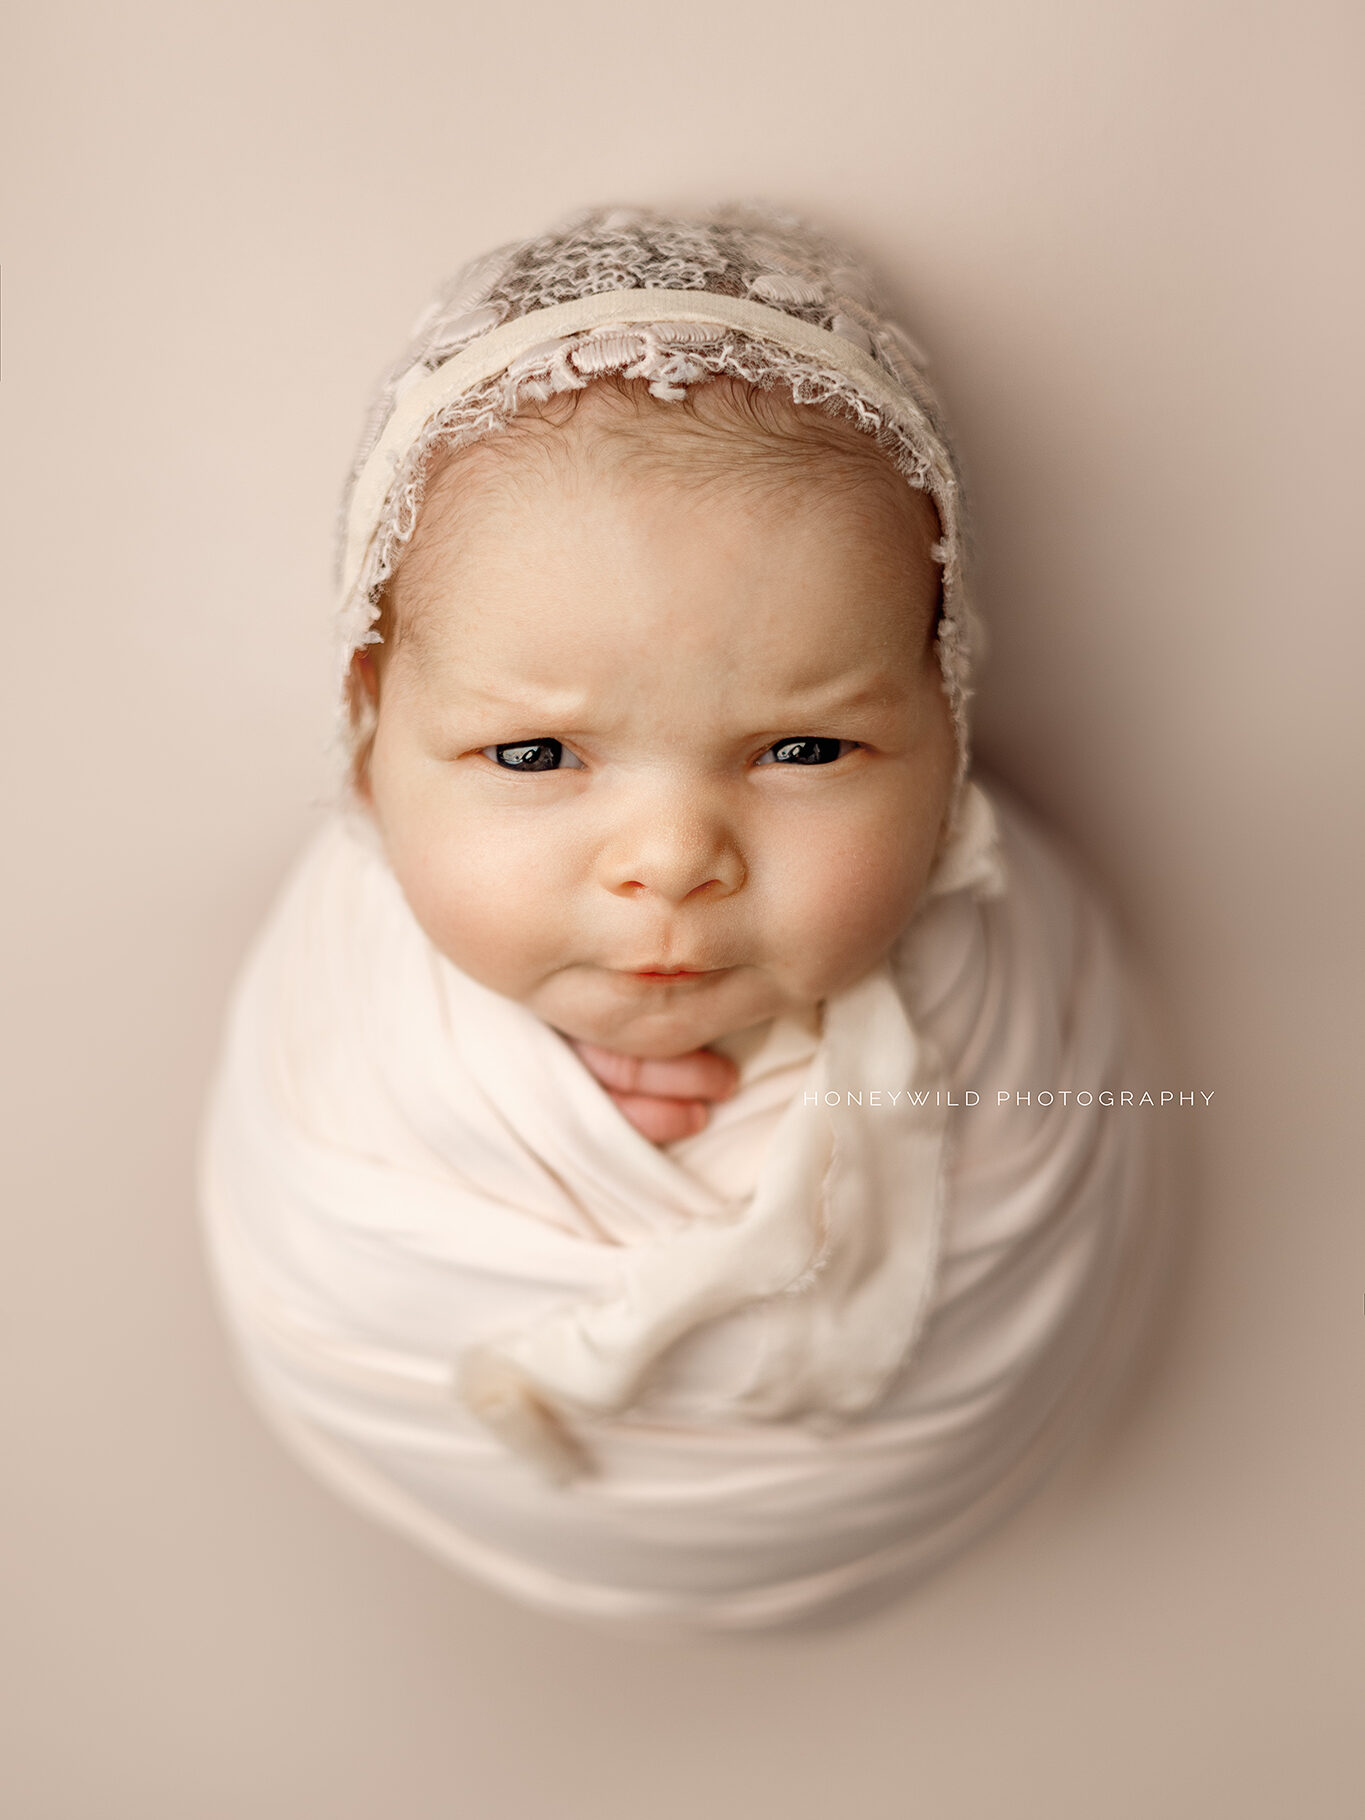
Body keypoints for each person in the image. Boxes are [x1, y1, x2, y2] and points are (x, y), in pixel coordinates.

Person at [198, 204, 1174, 1629]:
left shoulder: (1019, 993)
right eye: (533, 757)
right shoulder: (349, 1031)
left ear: (945, 722)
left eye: (803, 751)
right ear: (366, 736)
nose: (669, 860)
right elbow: (327, 1268)